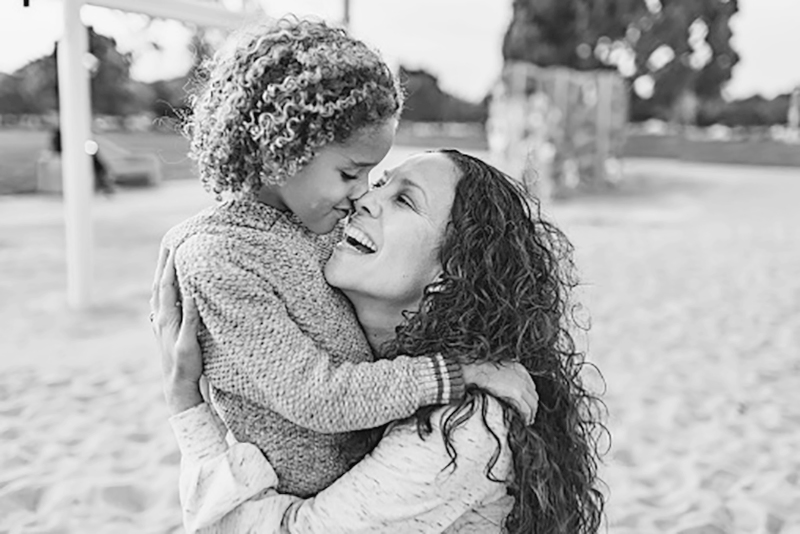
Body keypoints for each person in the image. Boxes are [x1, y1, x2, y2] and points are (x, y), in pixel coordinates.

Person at [157, 16, 538, 503]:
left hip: (370, 468)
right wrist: (458, 371)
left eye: (371, 175)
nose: (361, 195)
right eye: (349, 173)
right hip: (304, 501)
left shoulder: (310, 219)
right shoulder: (221, 258)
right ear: (282, 152)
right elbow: (314, 395)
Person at [153, 150, 608, 533]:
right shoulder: (366, 361)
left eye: (404, 200)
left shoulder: (464, 430)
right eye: (378, 183)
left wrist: (186, 405)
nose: (365, 198)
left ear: (453, 274)